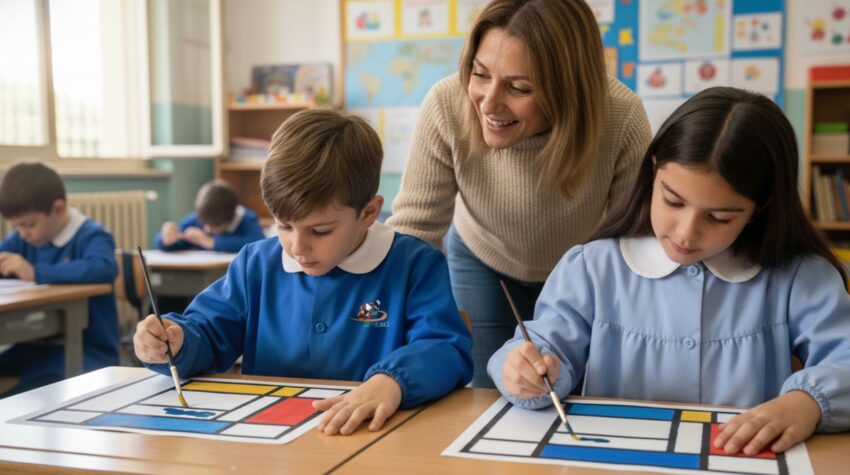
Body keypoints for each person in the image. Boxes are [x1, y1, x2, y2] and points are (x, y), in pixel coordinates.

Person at [489, 87, 850, 455]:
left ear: (760, 208)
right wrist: (523, 369)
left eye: (719, 217)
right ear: (653, 171)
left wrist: (807, 402)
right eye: (672, 201)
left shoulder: (799, 277)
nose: (686, 232)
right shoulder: (593, 268)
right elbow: (540, 346)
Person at [134, 109, 473, 435]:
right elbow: (208, 333)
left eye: (320, 231)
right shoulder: (257, 263)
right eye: (283, 226)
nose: (297, 247)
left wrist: (391, 382)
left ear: (369, 213)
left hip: (372, 438)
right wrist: (175, 341)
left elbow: (446, 347)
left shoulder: (415, 264)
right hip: (271, 439)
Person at [386, 0, 652, 387]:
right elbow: (415, 232)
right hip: (483, 259)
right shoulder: (447, 103)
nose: (489, 103)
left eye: (519, 87)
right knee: (486, 390)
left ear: (569, 90)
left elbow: (635, 246)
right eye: (480, 74)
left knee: (565, 387)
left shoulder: (621, 117)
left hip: (582, 274)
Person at [0, 161, 119, 396]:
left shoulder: (91, 235)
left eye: (30, 224)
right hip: (32, 348)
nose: (24, 233)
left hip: (86, 352)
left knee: (21, 399)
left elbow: (104, 267)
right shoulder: (22, 238)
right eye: (17, 226)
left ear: (59, 209)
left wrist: (36, 272)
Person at [154, 179, 265, 253]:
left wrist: (210, 242)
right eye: (204, 223)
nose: (207, 229)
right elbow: (176, 240)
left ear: (233, 216)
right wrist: (165, 239)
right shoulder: (200, 218)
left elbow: (258, 243)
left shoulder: (246, 218)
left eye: (214, 226)